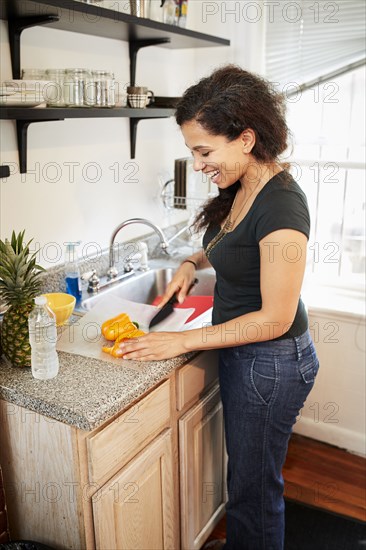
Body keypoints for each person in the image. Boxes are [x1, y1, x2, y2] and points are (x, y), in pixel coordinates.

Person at [120, 65, 320, 550]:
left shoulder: (282, 206)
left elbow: (274, 317)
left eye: (204, 151)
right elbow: (232, 242)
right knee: (247, 483)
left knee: (254, 492)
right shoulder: (244, 186)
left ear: (246, 139)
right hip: (250, 357)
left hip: (271, 364)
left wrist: (182, 339)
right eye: (192, 150)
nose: (198, 162)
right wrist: (191, 261)